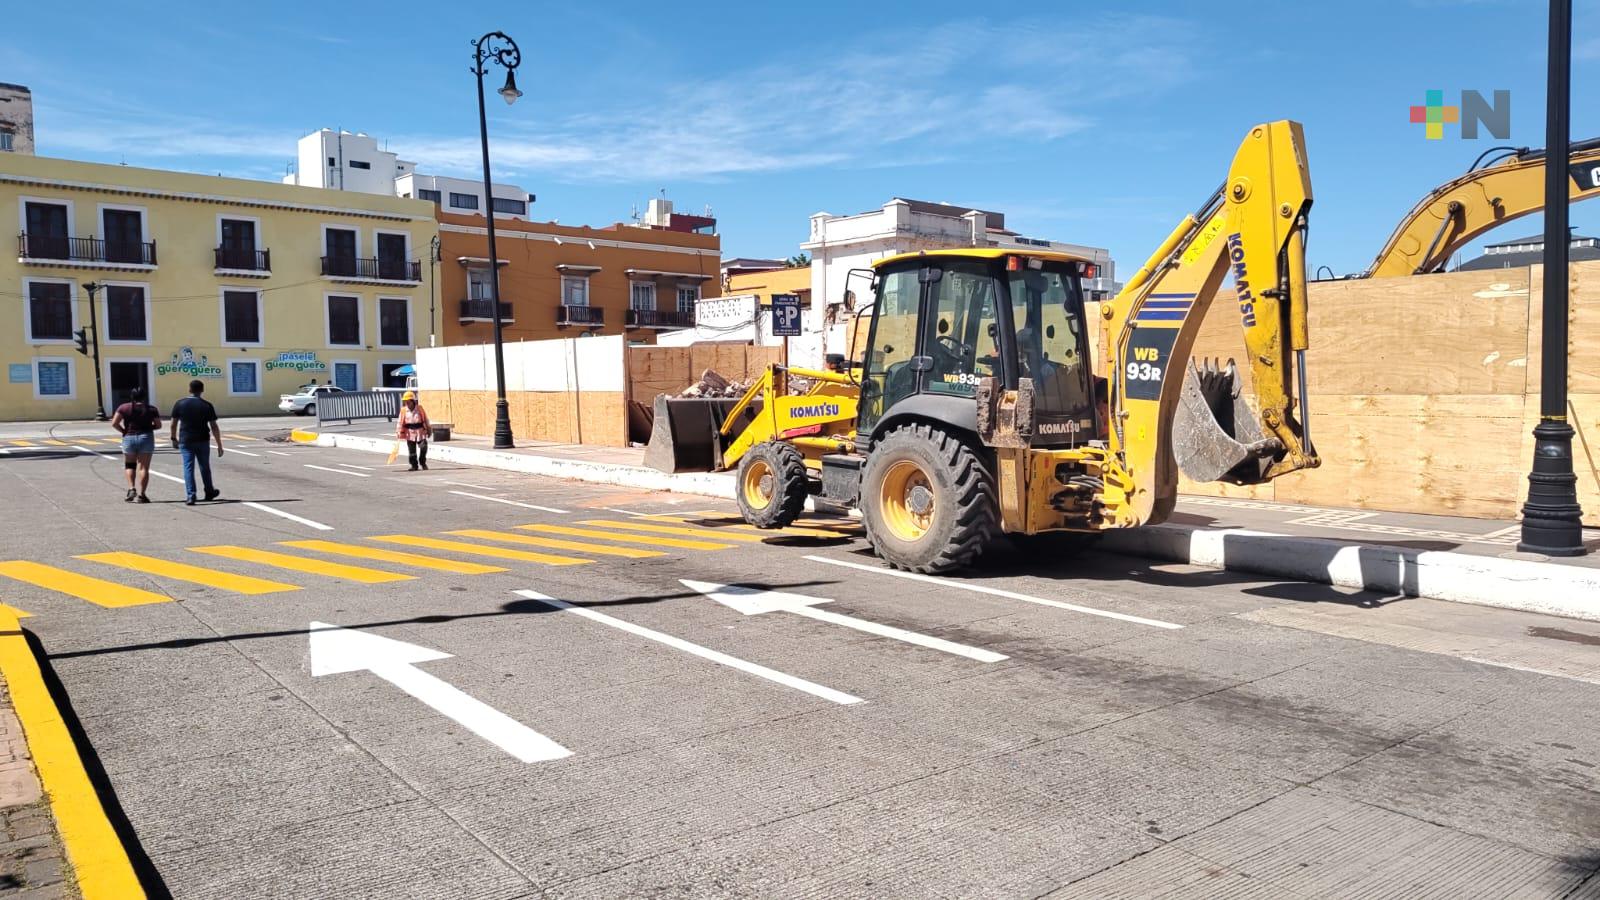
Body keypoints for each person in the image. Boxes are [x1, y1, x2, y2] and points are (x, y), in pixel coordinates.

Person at [169, 379, 223, 506]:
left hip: (186, 440)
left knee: (188, 467)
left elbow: (173, 423)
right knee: (205, 467)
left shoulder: (180, 404)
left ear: (189, 389)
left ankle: (191, 495)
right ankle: (209, 491)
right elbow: (214, 426)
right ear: (202, 390)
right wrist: (219, 444)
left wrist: (173, 438)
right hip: (203, 439)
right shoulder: (206, 405)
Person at [111, 388, 160, 503]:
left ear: (132, 396)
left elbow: (114, 423)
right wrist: (149, 427)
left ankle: (131, 488)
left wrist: (123, 431)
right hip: (146, 438)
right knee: (143, 468)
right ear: (144, 396)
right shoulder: (151, 409)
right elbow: (158, 425)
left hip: (129, 438)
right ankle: (142, 495)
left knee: (130, 465)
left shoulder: (123, 407)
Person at [396, 391, 432, 471]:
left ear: (413, 401)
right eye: (405, 401)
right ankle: (414, 465)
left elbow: (426, 419)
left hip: (420, 432)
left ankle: (422, 462)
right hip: (409, 432)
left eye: (408, 401)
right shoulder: (403, 410)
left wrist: (429, 429)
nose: (407, 403)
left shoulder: (419, 408)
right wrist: (398, 432)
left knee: (423, 447)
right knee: (412, 451)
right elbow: (400, 422)